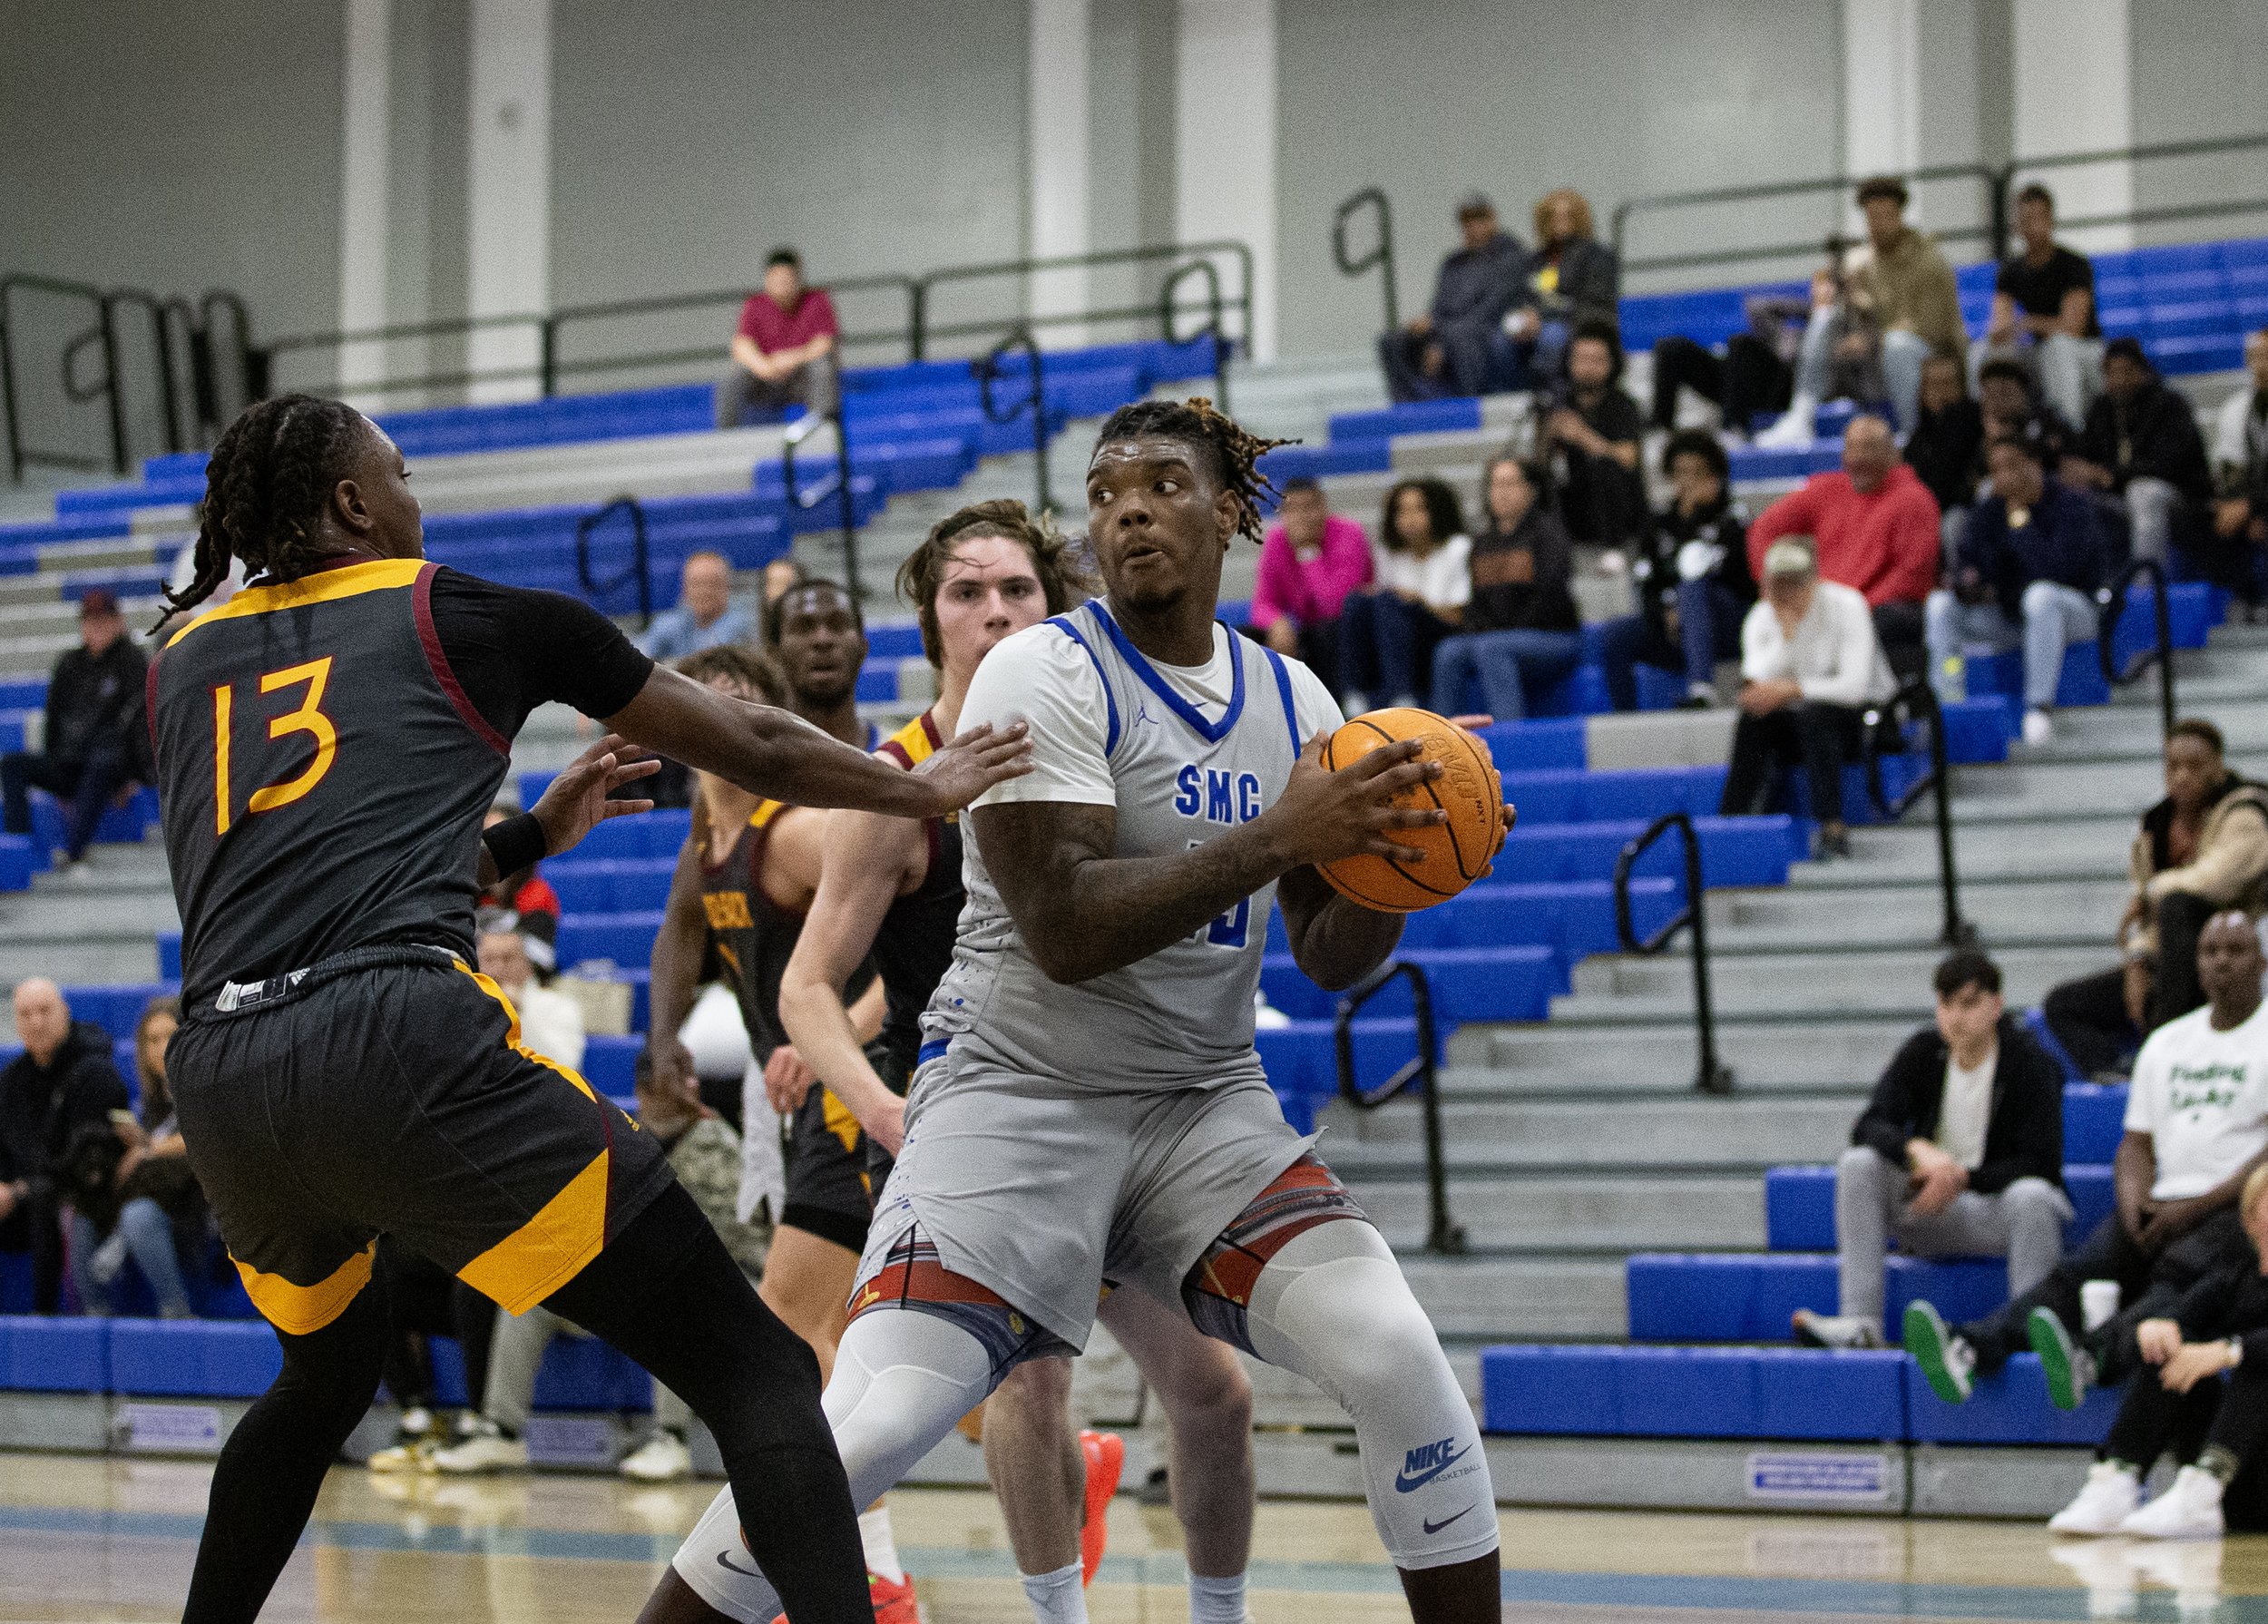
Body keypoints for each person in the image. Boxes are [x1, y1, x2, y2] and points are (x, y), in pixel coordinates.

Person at [142, 392, 1027, 1624]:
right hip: (396, 1045)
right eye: (397, 473)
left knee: (322, 1375)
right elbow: (759, 739)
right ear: (353, 502)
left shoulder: (176, 663)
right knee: (759, 1365)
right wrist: (918, 786)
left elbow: (310, 884)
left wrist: (531, 835)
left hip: (223, 1070)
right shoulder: (465, 611)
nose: (415, 496)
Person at [656, 396, 1509, 1624]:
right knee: (870, 1425)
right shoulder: (1042, 666)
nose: (1129, 510)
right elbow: (1064, 928)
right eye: (1107, 492)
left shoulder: (1300, 702)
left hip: (1201, 1109)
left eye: (1162, 484)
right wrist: (1282, 833)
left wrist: (1410, 854)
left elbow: (1329, 955)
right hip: (1012, 1100)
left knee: (1400, 1357)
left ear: (1227, 511)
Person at [766, 499, 1264, 1624]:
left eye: (1016, 591)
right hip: (976, 1116)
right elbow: (807, 986)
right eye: (966, 593)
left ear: (1054, 605)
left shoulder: (1105, 740)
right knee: (1030, 1380)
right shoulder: (895, 781)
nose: (994, 614)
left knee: (1214, 1390)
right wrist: (884, 1108)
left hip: (1117, 1103)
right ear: (930, 618)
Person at [640, 643, 913, 1607]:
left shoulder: (789, 831)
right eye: (699, 705)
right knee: (863, 1337)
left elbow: (900, 954)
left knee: (794, 1327)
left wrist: (828, 1033)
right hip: (805, 1099)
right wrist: (662, 1031)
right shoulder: (704, 838)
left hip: (855, 1089)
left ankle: (865, 1564)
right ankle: (1037, 1440)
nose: (715, 721)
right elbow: (679, 929)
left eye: (736, 706)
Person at [1908, 912, 2268, 1414]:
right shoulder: (2167, 1043)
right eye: (2211, 951)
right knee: (2074, 1274)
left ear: (2262, 962)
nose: (2222, 962)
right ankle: (1970, 1345)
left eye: (2237, 951)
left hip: (2239, 1214)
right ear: (2196, 964)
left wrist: (2192, 1208)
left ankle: (2090, 1358)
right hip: (2159, 1203)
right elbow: (2135, 1145)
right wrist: (2133, 1203)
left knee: (2175, 1287)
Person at [435, 1047, 771, 1484]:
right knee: (535, 1297)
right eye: (677, 1077)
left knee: (678, 1296)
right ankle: (501, 1429)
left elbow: (724, 1243)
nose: (691, 1087)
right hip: (638, 1276)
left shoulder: (713, 1140)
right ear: (646, 1092)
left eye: (691, 1077)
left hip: (729, 1280)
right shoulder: (627, 1138)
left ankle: (671, 1439)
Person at [1792, 951, 2068, 1350]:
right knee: (1859, 1163)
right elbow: (1867, 1124)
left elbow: (2041, 1162)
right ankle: (1861, 1322)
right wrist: (1914, 1150)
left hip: (1995, 1210)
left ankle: (2027, 1335)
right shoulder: (1924, 1051)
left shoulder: (2030, 1063)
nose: (1956, 1017)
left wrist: (1963, 1177)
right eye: (1945, 1004)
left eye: (1969, 1003)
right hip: (1930, 1209)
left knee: (2035, 1197)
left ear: (1996, 1004)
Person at [2048, 1162, 2268, 1540]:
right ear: (2250, 1217)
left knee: (2255, 1363)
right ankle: (2119, 1478)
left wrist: (2229, 1351)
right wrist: (2161, 1325)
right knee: (2170, 1348)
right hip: (2240, 1484)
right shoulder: (2236, 1274)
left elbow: (2244, 1351)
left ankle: (2203, 1487)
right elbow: (2187, 1310)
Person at [2041, 719, 2268, 1079]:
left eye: (2194, 767)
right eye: (2173, 767)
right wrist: (2138, 959)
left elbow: (2214, 881)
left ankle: (2163, 1051)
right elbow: (2142, 912)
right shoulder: (2156, 824)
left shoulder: (2246, 814)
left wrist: (2154, 890)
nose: (2181, 776)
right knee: (2063, 1004)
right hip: (2167, 965)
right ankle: (2119, 1074)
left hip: (2224, 966)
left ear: (2218, 768)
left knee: (2180, 905)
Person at [1925, 429, 2110, 746]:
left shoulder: (2070, 505)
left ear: (2035, 464)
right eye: (1996, 469)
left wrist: (2020, 520)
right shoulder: (1990, 510)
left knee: (2040, 596)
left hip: (2077, 613)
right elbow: (1967, 561)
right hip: (2014, 618)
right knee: (1940, 605)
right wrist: (1967, 583)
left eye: (2012, 465)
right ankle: (1950, 698)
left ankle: (2039, 707)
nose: (2004, 476)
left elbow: (2055, 571)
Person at [1717, 538, 1896, 858]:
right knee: (1755, 719)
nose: (1788, 593)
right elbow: (1758, 687)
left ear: (1815, 580)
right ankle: (1732, 825)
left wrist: (1792, 689)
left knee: (1818, 715)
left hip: (1864, 717)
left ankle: (1832, 826)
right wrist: (1788, 636)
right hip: (1802, 721)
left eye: (1796, 584)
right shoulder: (1761, 616)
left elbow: (1854, 688)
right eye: (1779, 585)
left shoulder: (1848, 605)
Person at [1757, 177, 1966, 443]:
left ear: (1899, 216)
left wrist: (1871, 340)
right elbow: (1848, 309)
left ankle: (1915, 433)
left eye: (1885, 216)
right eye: (1871, 217)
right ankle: (1802, 413)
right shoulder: (1862, 263)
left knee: (1898, 345)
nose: (1877, 225)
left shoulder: (1930, 262)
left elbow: (1932, 330)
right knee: (1826, 316)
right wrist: (1833, 293)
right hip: (1875, 360)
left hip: (1931, 357)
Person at [1747, 414, 1941, 674]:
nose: (1859, 458)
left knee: (1887, 619)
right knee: (1765, 615)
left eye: (1869, 448)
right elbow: (1764, 528)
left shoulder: (1915, 500)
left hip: (1881, 609)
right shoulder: (1826, 490)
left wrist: (1850, 613)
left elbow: (1910, 578)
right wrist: (1770, 583)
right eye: (1852, 448)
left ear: (1892, 454)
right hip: (1825, 606)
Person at [0, 979, 129, 1314]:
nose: (36, 1022)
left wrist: (20, 1191)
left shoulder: (95, 1072)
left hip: (86, 1195)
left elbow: (86, 1160)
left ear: (65, 1013)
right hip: (21, 1202)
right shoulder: (11, 1080)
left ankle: (46, 1320)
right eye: (26, 1015)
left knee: (50, 1205)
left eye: (44, 1011)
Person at [1, 588, 151, 873]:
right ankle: (19, 849)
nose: (96, 627)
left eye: (103, 620)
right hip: (70, 762)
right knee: (12, 764)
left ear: (118, 621)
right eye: (90, 621)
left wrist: (134, 773)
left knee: (102, 761)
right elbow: (53, 719)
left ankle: (72, 851)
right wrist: (55, 762)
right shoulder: (68, 663)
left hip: (111, 765)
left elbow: (140, 721)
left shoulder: (132, 660)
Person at [73, 996, 205, 1320]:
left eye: (168, 1036)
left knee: (138, 1215)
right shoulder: (147, 1107)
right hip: (151, 1197)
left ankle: (177, 1311)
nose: (160, 1048)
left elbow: (210, 1136)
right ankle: (95, 1317)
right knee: (83, 1212)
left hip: (196, 1206)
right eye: (152, 1039)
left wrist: (150, 1149)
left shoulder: (206, 1088)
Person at [1429, 456, 1579, 720]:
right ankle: (1441, 737)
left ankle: (1511, 736)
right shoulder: (1482, 541)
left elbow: (1550, 597)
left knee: (1491, 647)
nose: (1500, 492)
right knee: (1448, 652)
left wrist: (1499, 632)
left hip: (1553, 638)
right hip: (1499, 638)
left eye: (1509, 483)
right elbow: (1476, 603)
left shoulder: (1550, 534)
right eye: (1495, 484)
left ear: (1531, 491)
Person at [1615, 430, 1755, 707]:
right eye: (1680, 473)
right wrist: (1664, 611)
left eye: (1697, 473)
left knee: (1692, 587)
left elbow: (1742, 580)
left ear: (1715, 476)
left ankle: (1701, 688)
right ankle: (1625, 716)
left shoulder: (1733, 519)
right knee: (1616, 635)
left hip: (1727, 622)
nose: (1688, 481)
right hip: (1672, 626)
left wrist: (1696, 518)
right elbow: (1646, 580)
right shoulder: (1659, 523)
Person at [2063, 338, 2215, 574]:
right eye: (2111, 373)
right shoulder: (2102, 409)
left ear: (2142, 371)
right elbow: (2085, 454)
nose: (2119, 380)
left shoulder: (2170, 405)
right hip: (2117, 497)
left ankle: (2147, 588)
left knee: (2143, 492)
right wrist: (2080, 470)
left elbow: (2170, 464)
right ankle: (2090, 585)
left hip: (2178, 497)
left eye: (2126, 371)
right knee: (2073, 496)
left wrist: (2112, 475)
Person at [1971, 183, 2102, 430]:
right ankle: (1990, 429)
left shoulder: (2074, 265)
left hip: (2084, 349)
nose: (2031, 226)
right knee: (1982, 351)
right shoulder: (2010, 271)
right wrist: (2000, 333)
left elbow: (2073, 327)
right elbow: (2001, 325)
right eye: (2024, 219)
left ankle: (2068, 428)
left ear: (2050, 220)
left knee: (2058, 347)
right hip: (2039, 350)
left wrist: (2029, 323)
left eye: (2036, 218)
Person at [1377, 193, 1527, 403]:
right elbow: (1438, 308)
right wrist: (1432, 329)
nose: (1474, 226)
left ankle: (1470, 406)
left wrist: (1443, 340)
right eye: (1467, 221)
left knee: (1461, 336)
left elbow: (1492, 308)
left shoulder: (1512, 256)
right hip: (1447, 330)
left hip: (1487, 330)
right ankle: (1409, 409)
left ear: (1492, 219)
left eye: (1480, 219)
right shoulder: (1453, 263)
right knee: (1392, 341)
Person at [1338, 477, 1471, 712]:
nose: (1410, 519)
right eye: (1402, 511)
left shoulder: (1457, 548)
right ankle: (1354, 696)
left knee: (1391, 603)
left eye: (1418, 509)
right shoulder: (1389, 553)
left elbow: (1461, 616)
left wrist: (1419, 601)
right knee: (1357, 601)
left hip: (1440, 635)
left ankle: (1402, 695)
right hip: (1397, 638)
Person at [1250, 478, 1374, 694]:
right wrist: (1277, 622)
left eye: (1308, 508)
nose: (1300, 517)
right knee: (1249, 638)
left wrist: (1307, 552)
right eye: (1292, 510)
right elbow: (1263, 603)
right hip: (1305, 627)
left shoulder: (1349, 533)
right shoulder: (1276, 540)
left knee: (1326, 632)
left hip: (1350, 630)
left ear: (1323, 507)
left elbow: (1334, 606)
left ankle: (1340, 707)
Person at [1542, 320, 1647, 548]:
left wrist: (1584, 437)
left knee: (1607, 468)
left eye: (1597, 360)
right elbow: (1543, 464)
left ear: (1612, 364)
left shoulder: (1623, 405)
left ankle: (1614, 550)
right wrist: (1547, 435)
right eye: (1582, 359)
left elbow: (1628, 458)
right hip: (1573, 502)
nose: (1588, 368)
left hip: (1617, 508)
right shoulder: (1560, 404)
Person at [1647, 292, 1804, 439]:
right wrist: (1812, 309)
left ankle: (1732, 428)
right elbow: (1755, 306)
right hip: (1742, 381)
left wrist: (1823, 315)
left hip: (1780, 389)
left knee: (1741, 343)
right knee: (1672, 347)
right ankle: (1661, 426)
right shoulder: (1783, 329)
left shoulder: (1819, 332)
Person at [1507, 189, 1618, 389]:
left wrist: (1542, 316)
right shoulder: (1536, 261)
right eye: (1553, 217)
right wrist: (1524, 316)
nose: (1559, 222)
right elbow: (1524, 296)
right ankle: (1511, 392)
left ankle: (1554, 393)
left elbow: (1594, 301)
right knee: (1502, 338)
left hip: (1580, 323)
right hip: (1537, 324)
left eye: (1566, 216)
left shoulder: (1597, 256)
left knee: (1552, 336)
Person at [718, 248, 840, 429]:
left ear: (798, 278)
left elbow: (825, 343)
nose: (782, 284)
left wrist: (791, 359)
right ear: (767, 278)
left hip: (802, 378)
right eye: (777, 280)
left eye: (787, 279)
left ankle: (823, 428)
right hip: (766, 380)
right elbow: (741, 345)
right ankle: (726, 438)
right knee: (732, 377)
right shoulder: (754, 305)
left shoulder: (817, 300)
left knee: (822, 367)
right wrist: (765, 366)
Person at [474, 919, 584, 1071]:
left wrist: (519, 1013)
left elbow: (566, 1066)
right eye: (489, 959)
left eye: (508, 958)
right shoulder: (468, 1005)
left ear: (528, 965)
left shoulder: (559, 1005)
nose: (498, 969)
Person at [1905, 353, 1985, 556]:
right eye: (1934, 385)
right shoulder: (1917, 438)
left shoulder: (1977, 423)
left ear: (1962, 387)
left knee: (1952, 524)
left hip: (1966, 510)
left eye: (1948, 384)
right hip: (1928, 512)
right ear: (1923, 392)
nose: (1941, 393)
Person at [474, 794, 562, 970]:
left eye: (498, 836)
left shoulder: (537, 894)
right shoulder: (465, 892)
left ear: (519, 844)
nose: (489, 845)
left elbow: (542, 958)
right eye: (483, 837)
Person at [2212, 328, 2268, 572]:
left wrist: (2256, 508)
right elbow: (2230, 470)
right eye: (2256, 357)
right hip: (2251, 508)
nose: (2261, 366)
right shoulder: (2235, 410)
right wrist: (2241, 507)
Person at [639, 551, 757, 661]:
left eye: (711, 583)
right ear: (684, 589)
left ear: (726, 587)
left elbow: (708, 667)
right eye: (696, 584)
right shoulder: (672, 622)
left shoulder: (737, 626)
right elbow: (639, 654)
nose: (703, 591)